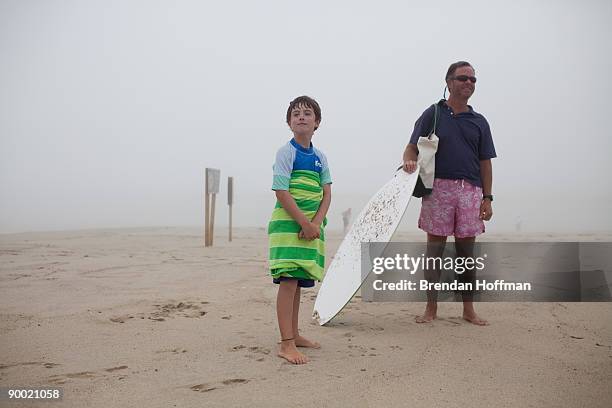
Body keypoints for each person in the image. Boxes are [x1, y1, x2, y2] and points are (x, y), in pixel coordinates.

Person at [402, 61, 496, 326]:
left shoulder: (480, 122)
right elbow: (411, 148)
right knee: (435, 252)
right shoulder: (432, 114)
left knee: (466, 254)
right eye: (463, 78)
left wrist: (487, 198)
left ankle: (469, 309)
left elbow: (485, 162)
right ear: (449, 82)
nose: (469, 83)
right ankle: (430, 308)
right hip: (438, 189)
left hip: (470, 191)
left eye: (473, 80)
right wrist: (409, 162)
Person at [268, 95, 332, 364]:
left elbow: (327, 193)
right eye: (296, 114)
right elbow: (281, 191)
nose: (301, 117)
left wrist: (315, 223)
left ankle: (294, 334)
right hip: (289, 227)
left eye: (307, 113)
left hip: (311, 229)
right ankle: (286, 343)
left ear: (317, 122)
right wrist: (303, 223)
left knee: (298, 284)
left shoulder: (320, 157)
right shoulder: (287, 152)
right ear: (289, 123)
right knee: (288, 281)